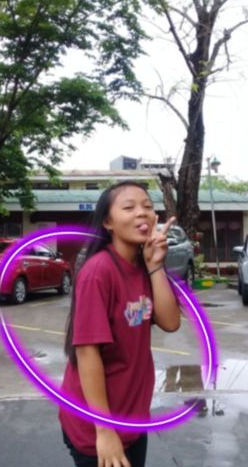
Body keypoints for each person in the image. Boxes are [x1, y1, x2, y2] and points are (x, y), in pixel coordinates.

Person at [59, 181, 181, 467]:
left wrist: (156, 266)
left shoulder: (143, 266)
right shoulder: (98, 272)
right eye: (129, 207)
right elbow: (87, 352)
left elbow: (170, 322)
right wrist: (104, 430)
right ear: (108, 222)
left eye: (147, 206)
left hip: (132, 419)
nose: (142, 213)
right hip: (96, 427)